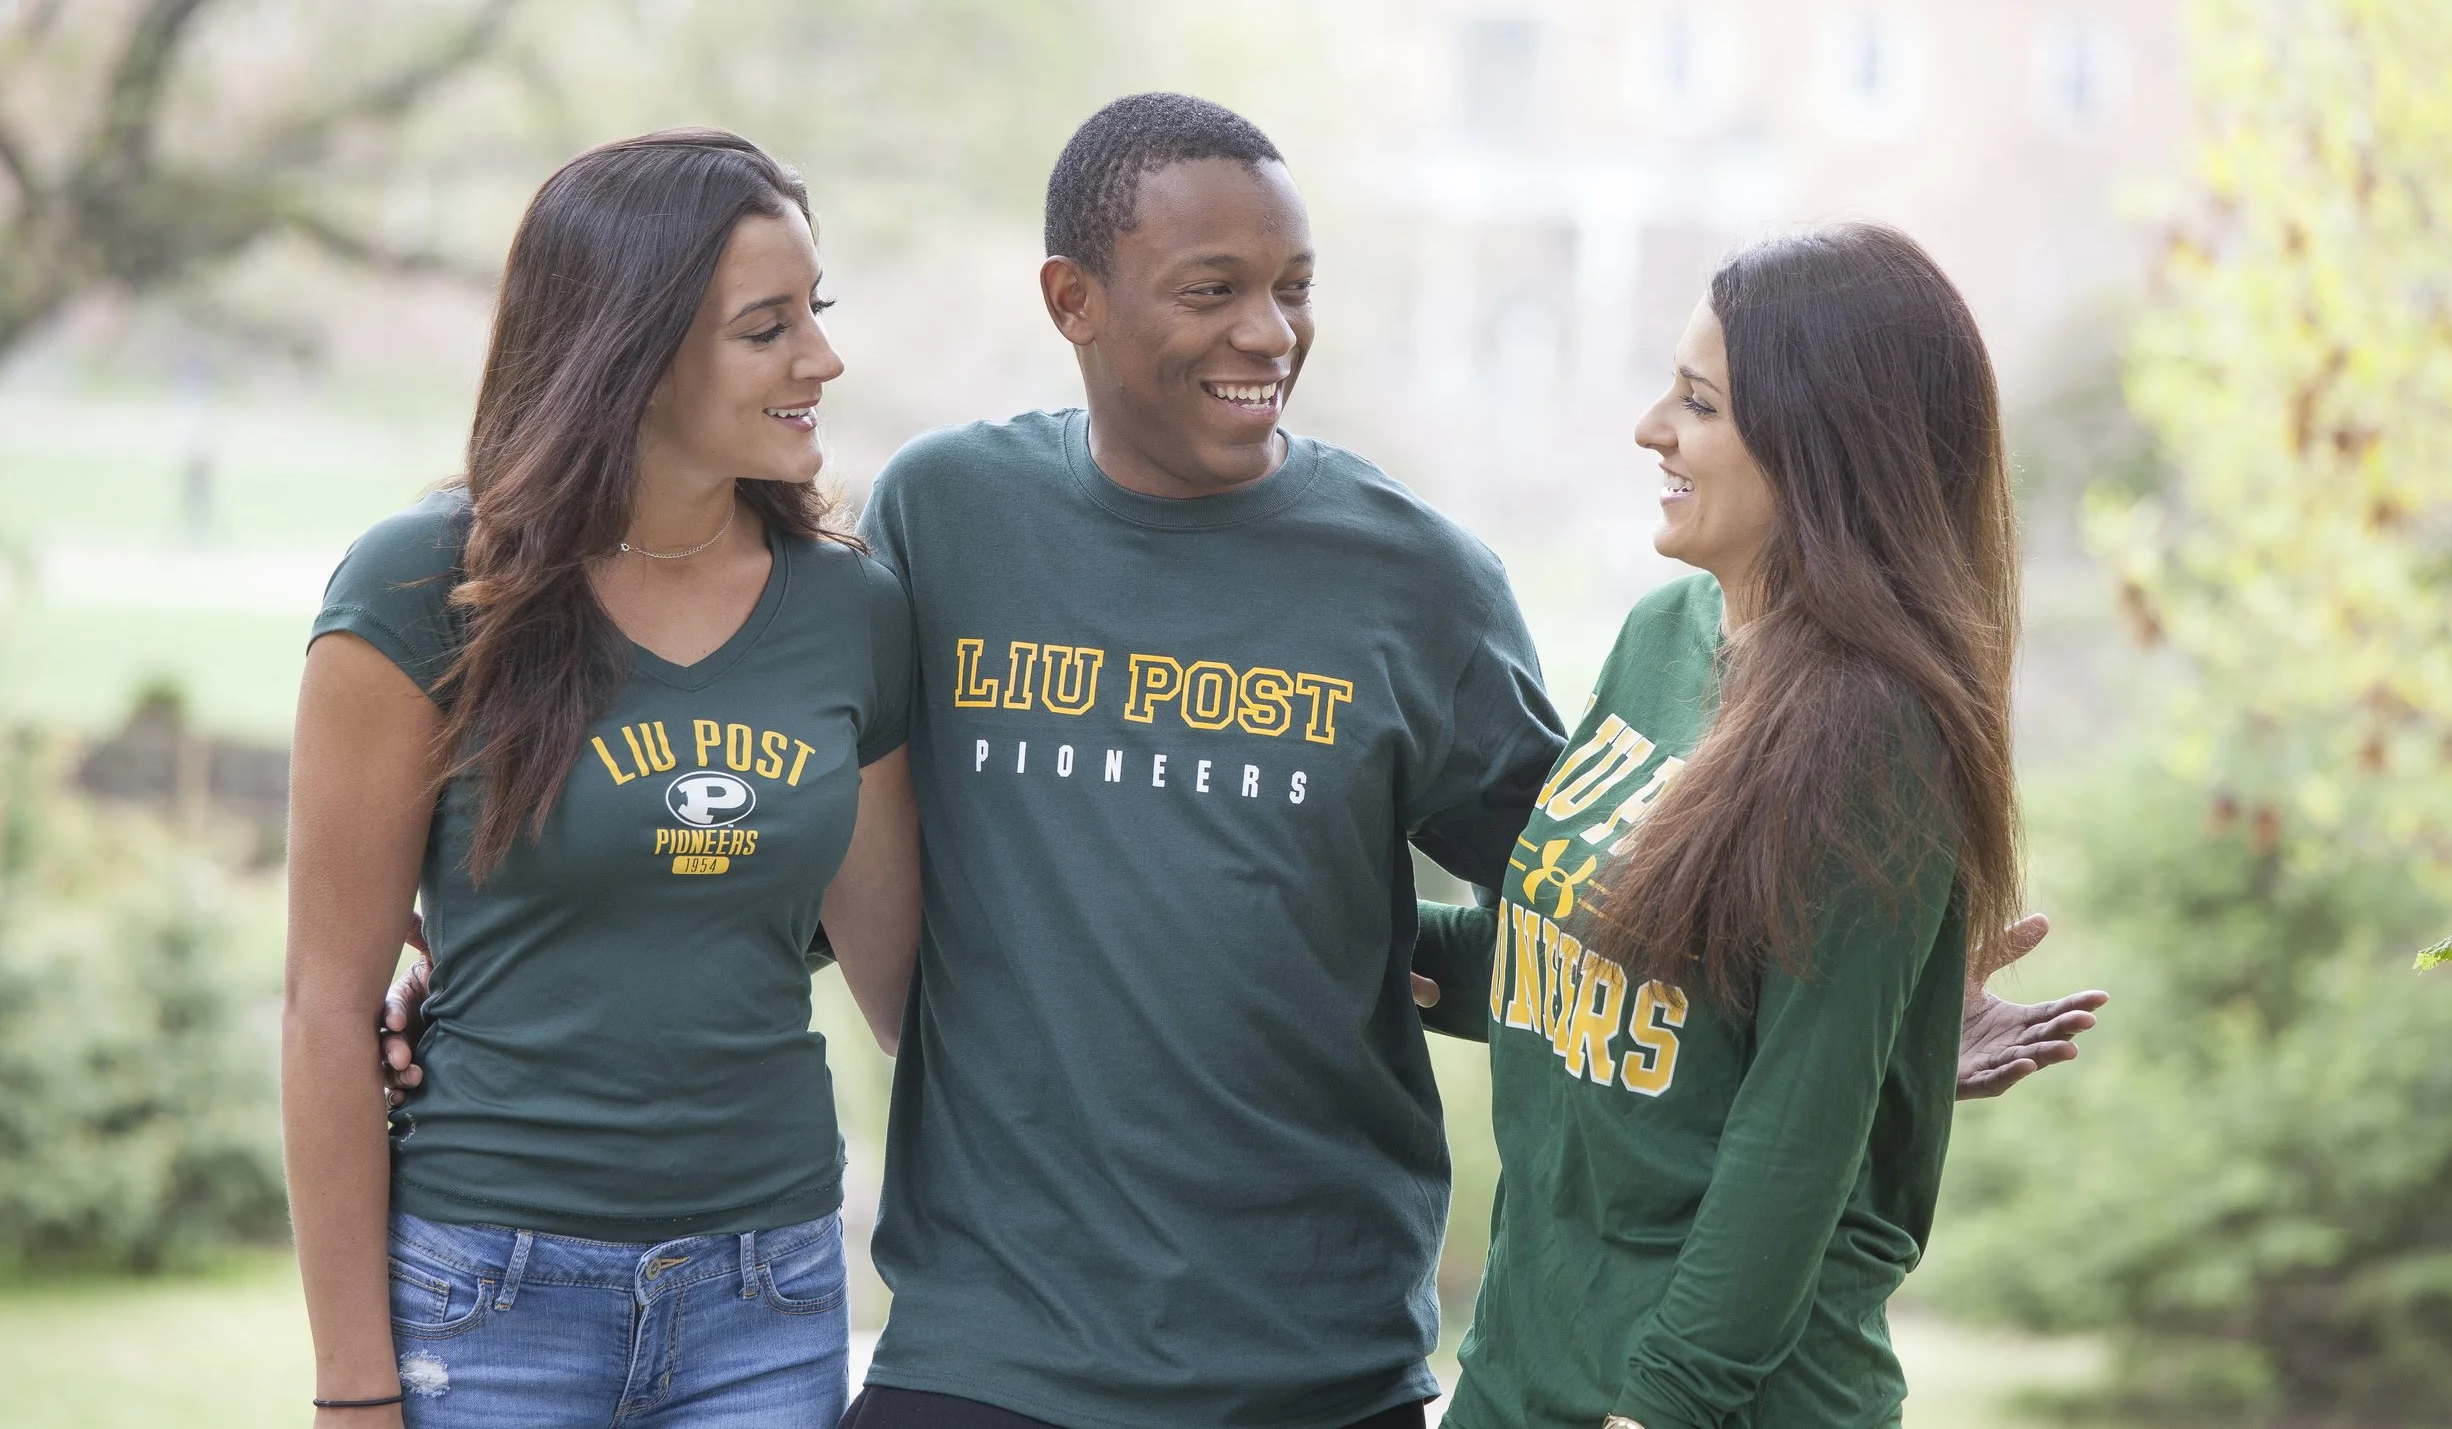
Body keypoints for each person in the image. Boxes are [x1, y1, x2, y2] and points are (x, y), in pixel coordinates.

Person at [382, 98, 2100, 1429]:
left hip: (1319, 1350)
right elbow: (807, 834)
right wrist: (487, 973)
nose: (1267, 332)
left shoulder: (1413, 575)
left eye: (1293, 288)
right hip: (993, 1335)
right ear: (1072, 298)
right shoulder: (944, 519)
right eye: (1213, 290)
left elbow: (1608, 912)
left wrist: (1858, 1023)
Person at [285, 128, 921, 1429]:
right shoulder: (422, 588)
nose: (825, 358)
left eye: (821, 311)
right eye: (769, 326)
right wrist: (355, 1389)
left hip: (771, 1291)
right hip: (489, 1289)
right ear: (628, 348)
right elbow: (324, 1011)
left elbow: (913, 989)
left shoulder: (849, 608)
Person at [1418, 224, 2043, 1429]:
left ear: (1821, 445)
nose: (1651, 427)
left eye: (1697, 403)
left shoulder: (1874, 733)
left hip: (1708, 1399)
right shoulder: (1662, 634)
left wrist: (1663, 1405)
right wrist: (1316, 925)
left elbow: (1790, 1144)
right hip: (1525, 1365)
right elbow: (1566, 977)